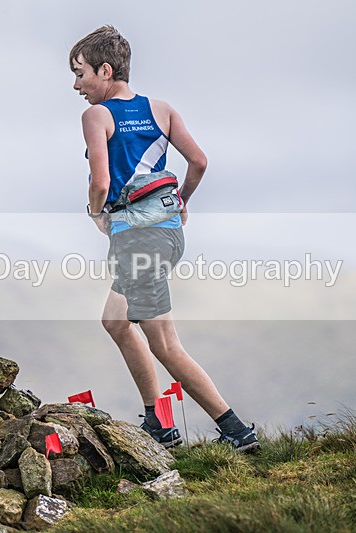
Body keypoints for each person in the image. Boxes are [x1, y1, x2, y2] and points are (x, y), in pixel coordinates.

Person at [69, 25, 259, 453]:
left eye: (80, 73)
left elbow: (100, 181)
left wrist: (96, 213)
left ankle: (236, 431)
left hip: (137, 240)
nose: (76, 84)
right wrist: (183, 201)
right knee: (116, 322)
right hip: (167, 235)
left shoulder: (96, 116)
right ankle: (159, 420)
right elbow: (199, 161)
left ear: (105, 69)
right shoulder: (162, 109)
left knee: (165, 345)